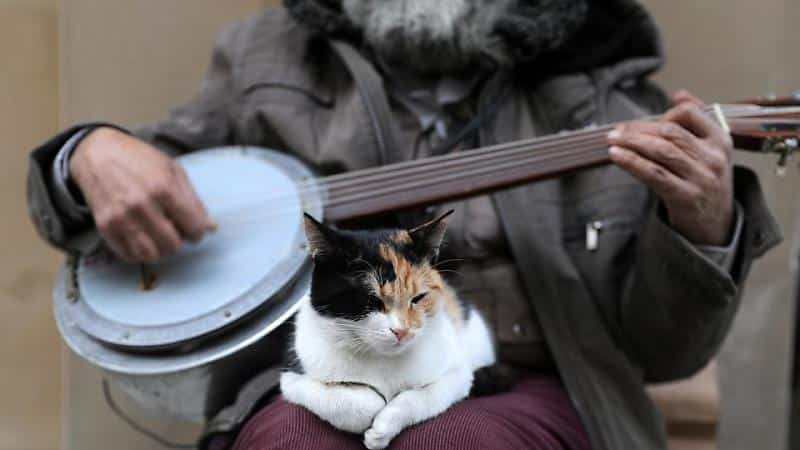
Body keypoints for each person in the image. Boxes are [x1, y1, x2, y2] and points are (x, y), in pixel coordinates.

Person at [26, 0, 781, 449]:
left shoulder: (603, 92)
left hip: (520, 386)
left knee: (453, 444)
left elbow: (664, 351)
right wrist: (86, 155)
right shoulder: (268, 55)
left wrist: (701, 225)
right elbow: (146, 189)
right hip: (311, 378)